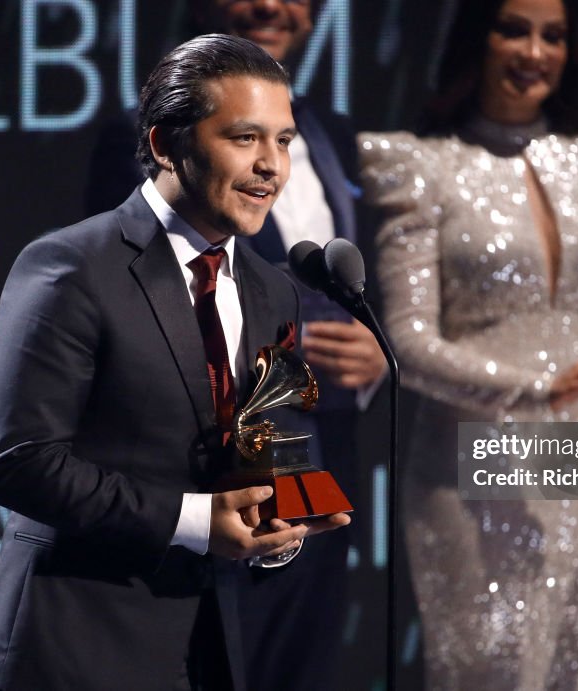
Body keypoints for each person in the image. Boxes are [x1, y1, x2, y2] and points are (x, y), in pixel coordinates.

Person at [0, 34, 349, 691]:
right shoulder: (70, 267)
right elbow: (17, 461)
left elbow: (253, 450)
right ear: (163, 145)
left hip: (210, 650)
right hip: (78, 647)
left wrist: (278, 518)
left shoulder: (272, 289)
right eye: (244, 138)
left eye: (284, 141)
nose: (272, 167)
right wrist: (199, 522)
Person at [359, 0, 578, 688]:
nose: (533, 52)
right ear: (477, 39)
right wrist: (537, 388)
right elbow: (408, 341)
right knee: (494, 669)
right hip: (478, 459)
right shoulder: (419, 165)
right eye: (513, 29)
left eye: (553, 35)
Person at [84, 3, 385, 689]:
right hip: (209, 463)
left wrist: (372, 355)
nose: (274, 5)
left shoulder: (333, 132)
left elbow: (355, 278)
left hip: (321, 456)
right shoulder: (137, 138)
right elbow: (127, 297)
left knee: (299, 665)